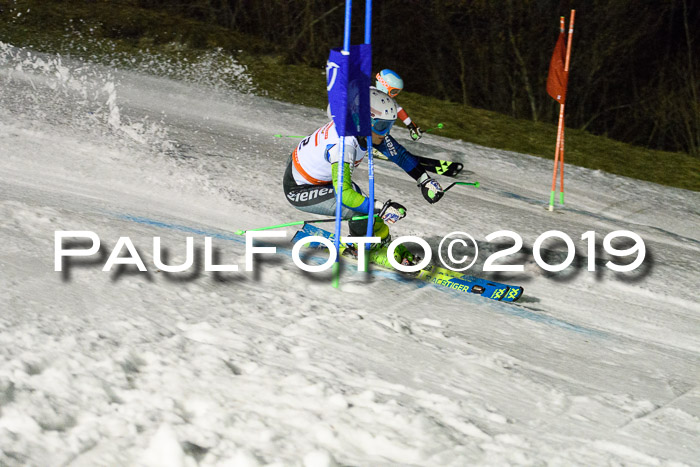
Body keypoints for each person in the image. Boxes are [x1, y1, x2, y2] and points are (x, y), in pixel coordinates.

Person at [283, 88, 444, 265]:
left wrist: (424, 180)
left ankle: (380, 241)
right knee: (358, 208)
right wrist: (382, 207)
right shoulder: (344, 145)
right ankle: (359, 249)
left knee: (366, 206)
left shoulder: (365, 130)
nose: (385, 133)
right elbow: (344, 195)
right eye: (382, 126)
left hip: (320, 178)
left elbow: (399, 155)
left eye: (389, 126)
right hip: (300, 188)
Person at [374, 69, 423, 141]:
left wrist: (411, 126)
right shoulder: (369, 93)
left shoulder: (387, 100)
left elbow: (398, 110)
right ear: (384, 86)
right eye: (394, 91)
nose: (395, 95)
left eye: (397, 92)